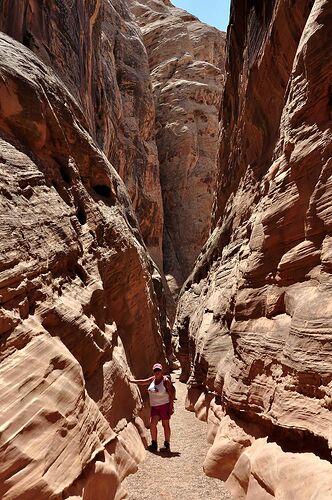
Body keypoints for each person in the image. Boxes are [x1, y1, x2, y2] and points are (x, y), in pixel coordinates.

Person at [129, 363, 174, 452]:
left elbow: (171, 394)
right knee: (153, 424)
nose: (157, 372)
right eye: (155, 370)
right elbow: (143, 382)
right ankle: (154, 444)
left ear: (162, 371)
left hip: (164, 405)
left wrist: (171, 407)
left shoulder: (165, 381)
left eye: (158, 370)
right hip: (155, 407)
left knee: (165, 425)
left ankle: (167, 444)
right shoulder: (152, 379)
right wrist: (132, 381)